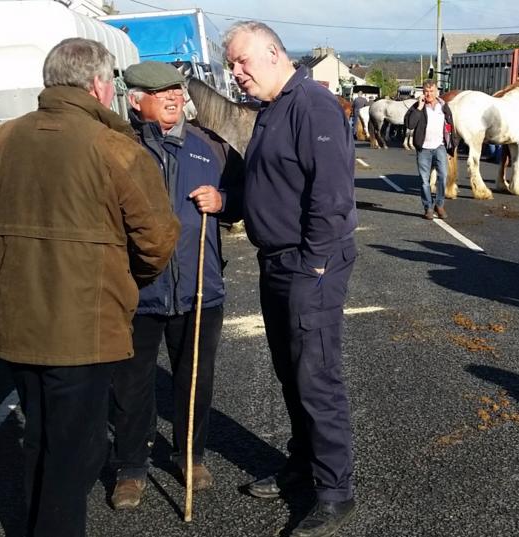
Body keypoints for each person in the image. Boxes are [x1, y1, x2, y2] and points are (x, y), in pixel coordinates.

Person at [0, 39, 179, 537]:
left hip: (16, 321)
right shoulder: (116, 149)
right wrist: (124, 283)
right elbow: (156, 240)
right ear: (97, 85)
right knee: (77, 451)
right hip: (85, 330)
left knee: (40, 440)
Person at [224, 21, 358, 537]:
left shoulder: (312, 105)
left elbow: (332, 196)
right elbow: (270, 186)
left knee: (315, 375)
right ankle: (303, 464)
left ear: (274, 53)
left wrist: (317, 263)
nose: (236, 74)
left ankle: (334, 491)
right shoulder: (270, 110)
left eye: (242, 62)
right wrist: (228, 203)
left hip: (308, 264)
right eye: (232, 65)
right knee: (289, 370)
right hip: (275, 261)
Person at [109, 61, 243, 509]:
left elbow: (243, 198)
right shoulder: (116, 149)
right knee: (130, 386)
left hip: (199, 289)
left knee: (194, 380)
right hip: (135, 293)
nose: (173, 97)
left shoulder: (209, 147)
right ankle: (130, 467)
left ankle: (190, 454)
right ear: (135, 100)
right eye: (160, 91)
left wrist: (223, 201)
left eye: (176, 89)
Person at [404, 78, 457, 220]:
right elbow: (409, 124)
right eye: (426, 91)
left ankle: (439, 205)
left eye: (431, 91)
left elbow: (450, 126)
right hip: (424, 149)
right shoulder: (417, 106)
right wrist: (419, 108)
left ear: (437, 92)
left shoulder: (443, 106)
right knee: (424, 181)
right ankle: (428, 207)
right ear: (423, 92)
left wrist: (451, 147)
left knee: (443, 176)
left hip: (440, 147)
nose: (429, 94)